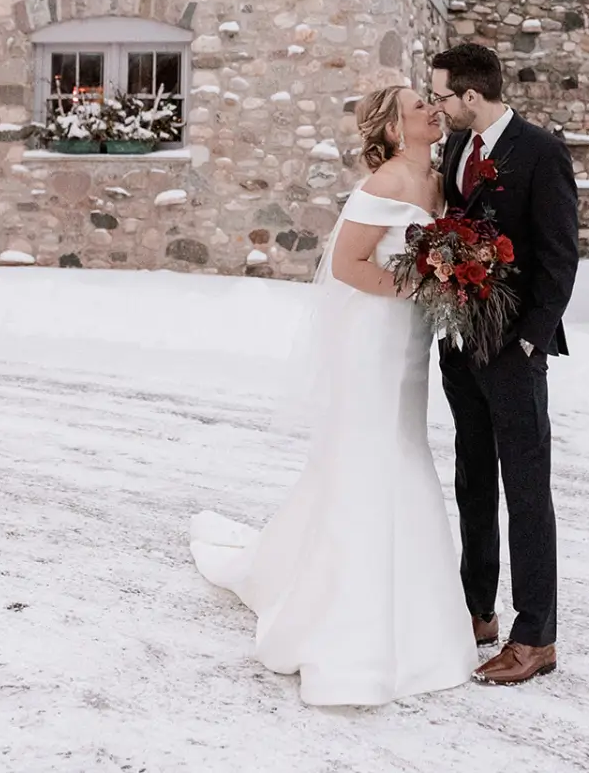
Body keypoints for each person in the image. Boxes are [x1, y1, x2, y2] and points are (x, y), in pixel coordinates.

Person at [189, 85, 478, 707]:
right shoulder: (387, 184)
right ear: (397, 129)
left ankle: (408, 605)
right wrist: (417, 291)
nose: (433, 109)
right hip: (376, 336)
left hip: (411, 341)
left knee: (401, 444)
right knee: (371, 454)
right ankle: (347, 620)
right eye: (418, 106)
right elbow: (348, 264)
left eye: (432, 100)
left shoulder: (435, 178)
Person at [430, 43, 578, 687]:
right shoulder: (458, 149)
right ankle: (477, 610)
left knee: (525, 490)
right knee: (472, 480)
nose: (436, 104)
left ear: (470, 95)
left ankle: (536, 636)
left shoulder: (541, 151)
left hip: (514, 350)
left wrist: (529, 341)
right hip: (460, 345)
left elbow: (559, 256)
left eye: (441, 94)